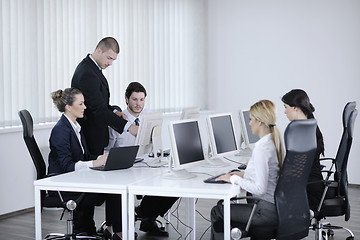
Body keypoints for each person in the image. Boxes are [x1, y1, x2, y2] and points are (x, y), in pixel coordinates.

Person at [105, 81, 178, 237]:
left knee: (174, 184)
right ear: (126, 99)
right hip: (124, 168)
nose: (138, 104)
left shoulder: (150, 117)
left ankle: (147, 216)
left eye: (141, 99)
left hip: (145, 163)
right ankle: (140, 216)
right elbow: (107, 149)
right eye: (134, 99)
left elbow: (156, 142)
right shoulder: (118, 121)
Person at [48, 88, 123, 240]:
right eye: (81, 104)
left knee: (116, 187)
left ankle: (113, 231)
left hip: (74, 180)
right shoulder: (60, 130)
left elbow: (85, 156)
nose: (85, 107)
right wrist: (95, 162)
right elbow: (66, 167)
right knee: (114, 190)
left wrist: (103, 158)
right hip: (63, 186)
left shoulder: (76, 127)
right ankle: (118, 233)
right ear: (69, 106)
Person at [210, 100, 285, 240]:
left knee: (217, 211)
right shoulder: (272, 141)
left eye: (251, 119)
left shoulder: (261, 149)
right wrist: (242, 174)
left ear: (260, 122)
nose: (249, 123)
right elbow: (267, 174)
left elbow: (260, 189)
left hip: (265, 212)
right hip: (276, 207)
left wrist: (234, 179)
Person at [71, 37, 138, 156]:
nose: (110, 63)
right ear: (99, 51)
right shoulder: (87, 73)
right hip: (90, 136)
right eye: (109, 58)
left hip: (96, 135)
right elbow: (97, 109)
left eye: (113, 60)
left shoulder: (93, 68)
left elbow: (99, 102)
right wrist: (128, 127)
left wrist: (113, 111)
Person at [282, 89, 325, 211]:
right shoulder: (310, 125)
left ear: (295, 108)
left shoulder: (299, 130)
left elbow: (292, 171)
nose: (284, 112)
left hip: (307, 191)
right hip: (313, 186)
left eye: (286, 107)